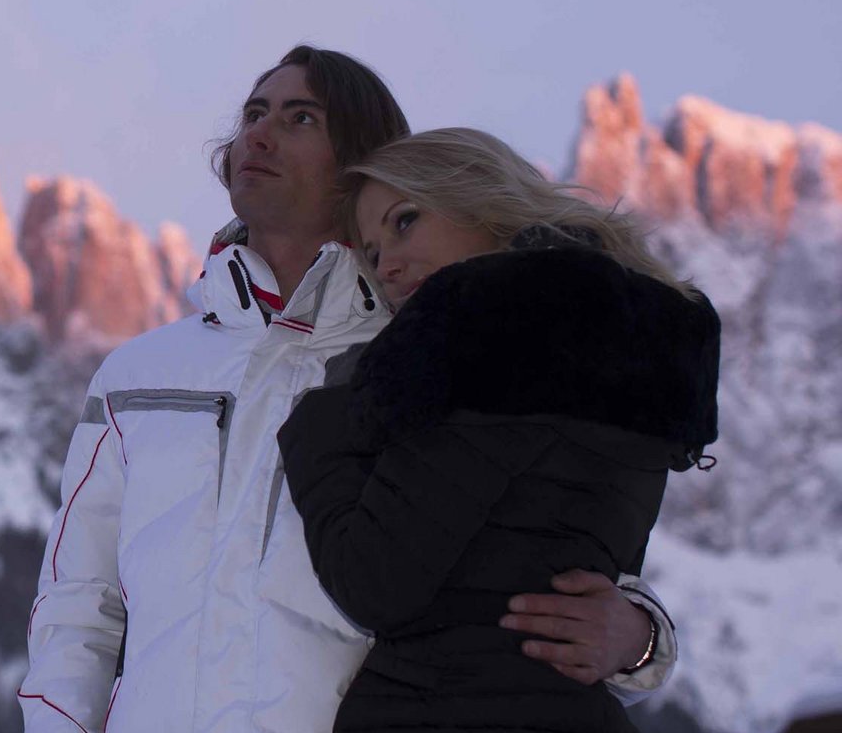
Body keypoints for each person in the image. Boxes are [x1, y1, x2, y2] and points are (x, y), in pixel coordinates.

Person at [19, 47, 679, 733]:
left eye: (300, 117)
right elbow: (78, 600)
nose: (259, 134)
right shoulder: (138, 376)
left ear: (366, 162)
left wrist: (640, 638)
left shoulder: (437, 359)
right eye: (253, 113)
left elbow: (553, 542)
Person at [276, 127, 718, 732]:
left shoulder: (484, 349)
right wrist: (641, 637)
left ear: (482, 200)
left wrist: (317, 421)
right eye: (373, 255)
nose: (389, 268)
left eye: (405, 222)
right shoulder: (639, 344)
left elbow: (373, 583)